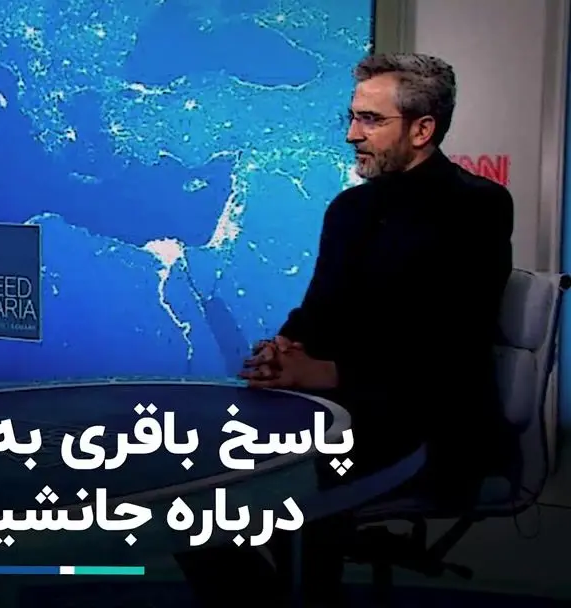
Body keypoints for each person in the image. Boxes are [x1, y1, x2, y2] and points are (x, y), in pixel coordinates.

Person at [178, 53, 514, 606]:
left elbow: (450, 348)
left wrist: (329, 373)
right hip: (340, 410)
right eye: (352, 117)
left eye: (371, 120)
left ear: (422, 130)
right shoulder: (349, 208)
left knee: (297, 478)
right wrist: (283, 347)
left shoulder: (477, 206)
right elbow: (319, 310)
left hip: (430, 420)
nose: (352, 134)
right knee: (191, 475)